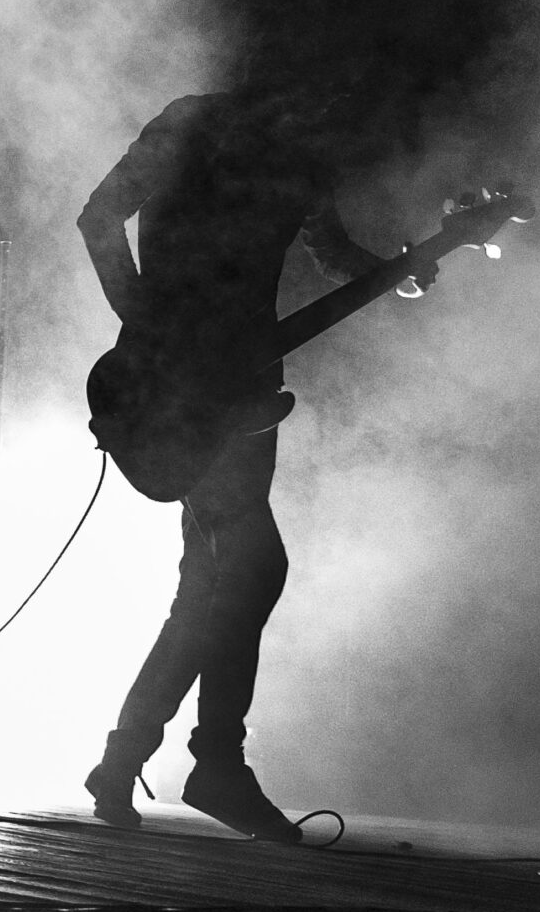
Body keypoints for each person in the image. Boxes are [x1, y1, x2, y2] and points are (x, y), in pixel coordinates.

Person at [74, 72, 412, 842]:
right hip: (179, 387)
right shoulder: (189, 126)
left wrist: (397, 270)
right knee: (251, 570)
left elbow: (329, 248)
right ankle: (212, 761)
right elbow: (98, 216)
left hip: (248, 394)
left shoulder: (302, 157)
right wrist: (148, 324)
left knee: (209, 584)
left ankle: (130, 760)